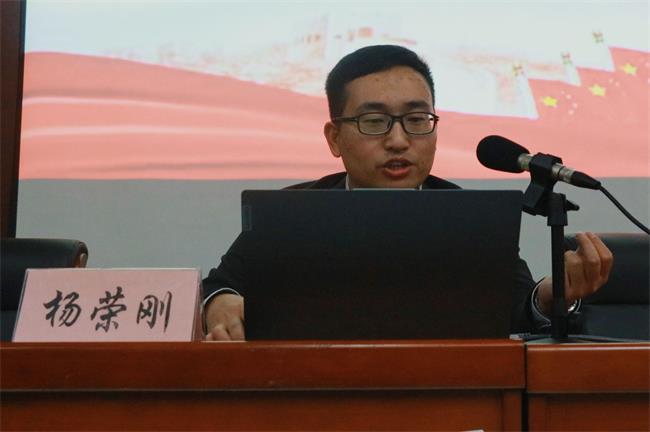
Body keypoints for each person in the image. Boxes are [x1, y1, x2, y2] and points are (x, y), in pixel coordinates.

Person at [203, 45, 613, 341]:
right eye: (374, 121)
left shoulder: (465, 217)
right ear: (334, 138)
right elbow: (218, 287)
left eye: (417, 120)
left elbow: (518, 310)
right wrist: (220, 303)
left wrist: (550, 296)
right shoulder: (292, 213)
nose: (398, 141)